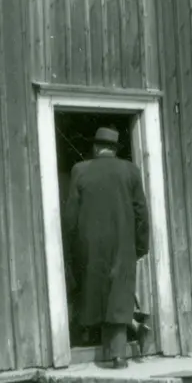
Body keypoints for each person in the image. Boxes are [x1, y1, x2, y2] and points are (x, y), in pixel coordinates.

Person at [62, 126, 151, 369]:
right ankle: (118, 356)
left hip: (89, 246)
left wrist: (69, 249)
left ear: (94, 147)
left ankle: (96, 350)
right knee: (119, 296)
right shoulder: (130, 171)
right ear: (114, 149)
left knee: (95, 293)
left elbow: (70, 217)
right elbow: (141, 213)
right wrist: (141, 246)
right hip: (123, 244)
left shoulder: (80, 170)